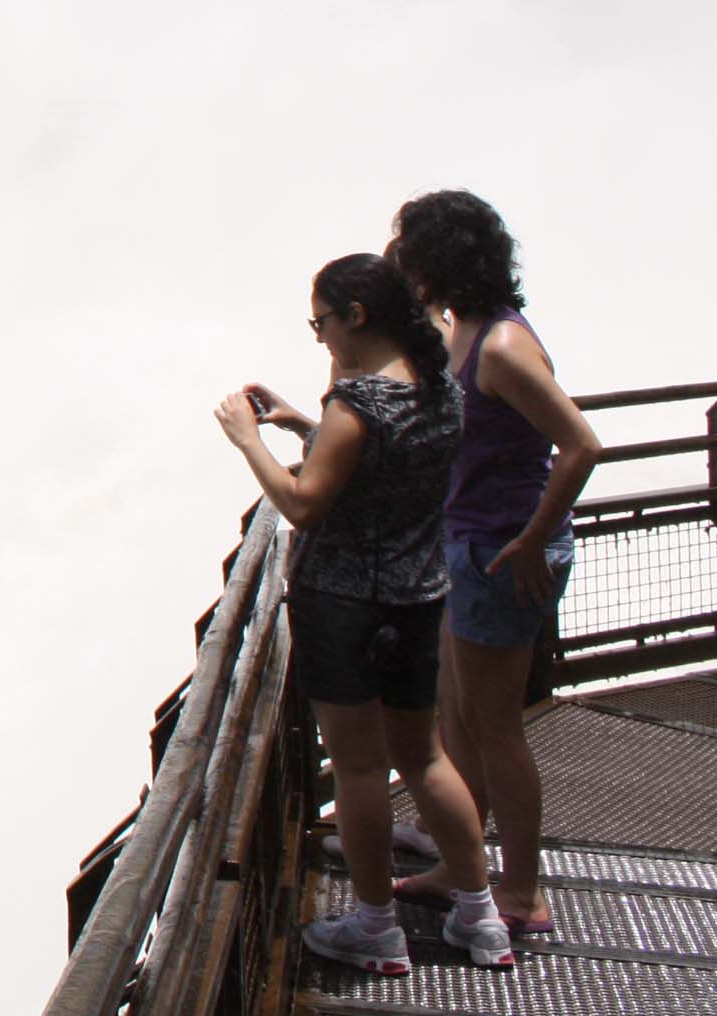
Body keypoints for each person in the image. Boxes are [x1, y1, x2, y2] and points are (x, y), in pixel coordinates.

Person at [219, 252, 513, 975]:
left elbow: (305, 504)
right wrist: (303, 422)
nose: (320, 335)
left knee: (358, 769)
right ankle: (482, 917)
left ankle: (377, 928)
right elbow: (377, 464)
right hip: (418, 596)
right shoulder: (440, 389)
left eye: (321, 322)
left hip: (342, 604)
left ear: (356, 316)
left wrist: (248, 440)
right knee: (426, 757)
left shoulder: (355, 406)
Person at [387, 189, 602, 936]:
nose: (402, 262)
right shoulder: (464, 329)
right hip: (469, 544)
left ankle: (522, 892)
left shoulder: (502, 348)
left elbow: (582, 445)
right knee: (457, 715)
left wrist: (534, 539)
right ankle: (464, 862)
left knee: (494, 726)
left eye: (410, 251)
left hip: (501, 553)